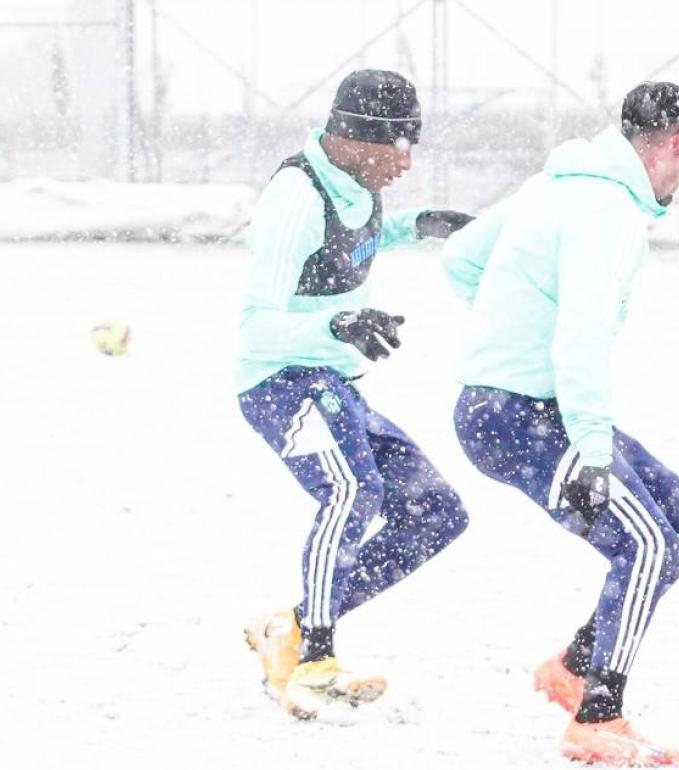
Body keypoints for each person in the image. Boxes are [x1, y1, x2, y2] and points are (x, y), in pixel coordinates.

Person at [442, 82, 679, 766]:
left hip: (517, 404)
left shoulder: (557, 183)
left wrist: (508, 328)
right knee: (648, 542)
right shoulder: (609, 211)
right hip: (521, 413)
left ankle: (574, 665)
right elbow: (581, 338)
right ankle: (598, 717)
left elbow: (461, 258)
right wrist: (591, 445)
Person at [237, 69, 474, 720]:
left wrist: (418, 224)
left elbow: (358, 238)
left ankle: (287, 628)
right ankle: (313, 660)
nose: (406, 162)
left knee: (435, 515)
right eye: (398, 146)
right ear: (356, 136)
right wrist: (336, 323)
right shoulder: (295, 197)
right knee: (351, 493)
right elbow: (255, 323)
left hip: (331, 383)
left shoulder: (358, 185)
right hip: (280, 381)